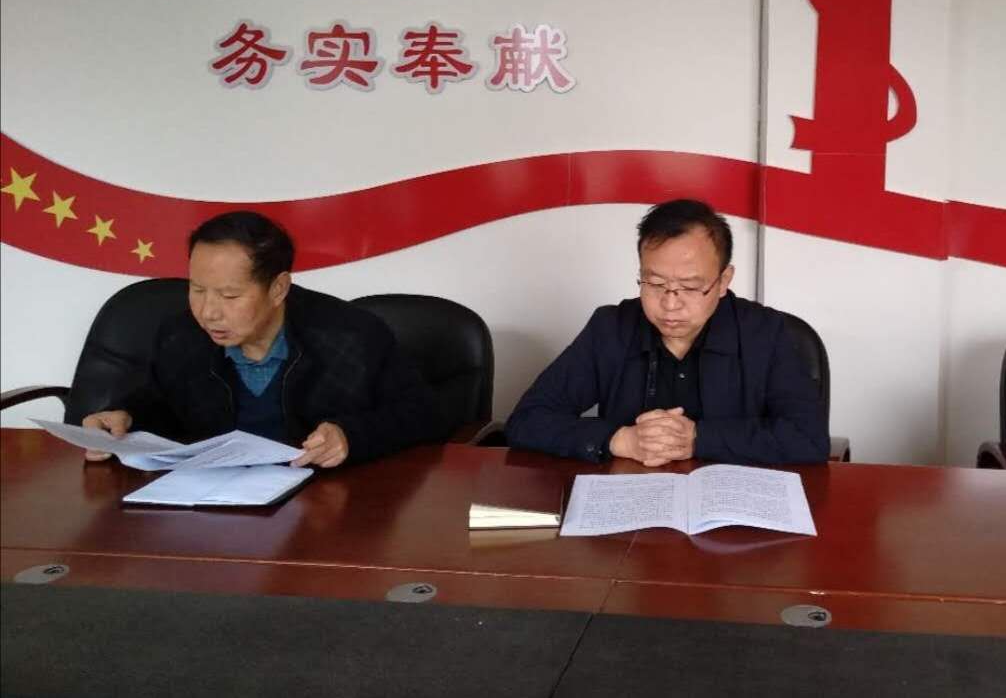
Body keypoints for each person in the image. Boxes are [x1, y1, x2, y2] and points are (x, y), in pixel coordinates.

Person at [82, 210, 449, 468]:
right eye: (197, 290)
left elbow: (424, 414)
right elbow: (162, 404)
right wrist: (125, 418)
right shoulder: (181, 335)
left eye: (229, 296)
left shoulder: (352, 336)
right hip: (211, 509)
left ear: (278, 288)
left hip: (323, 512)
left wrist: (351, 436)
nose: (208, 312)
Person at [506, 199, 829, 466]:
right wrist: (620, 439)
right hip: (632, 507)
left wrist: (697, 438)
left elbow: (808, 438)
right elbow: (528, 420)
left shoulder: (766, 333)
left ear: (723, 281)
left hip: (732, 512)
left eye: (689, 287)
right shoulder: (611, 328)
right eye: (656, 284)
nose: (670, 304)